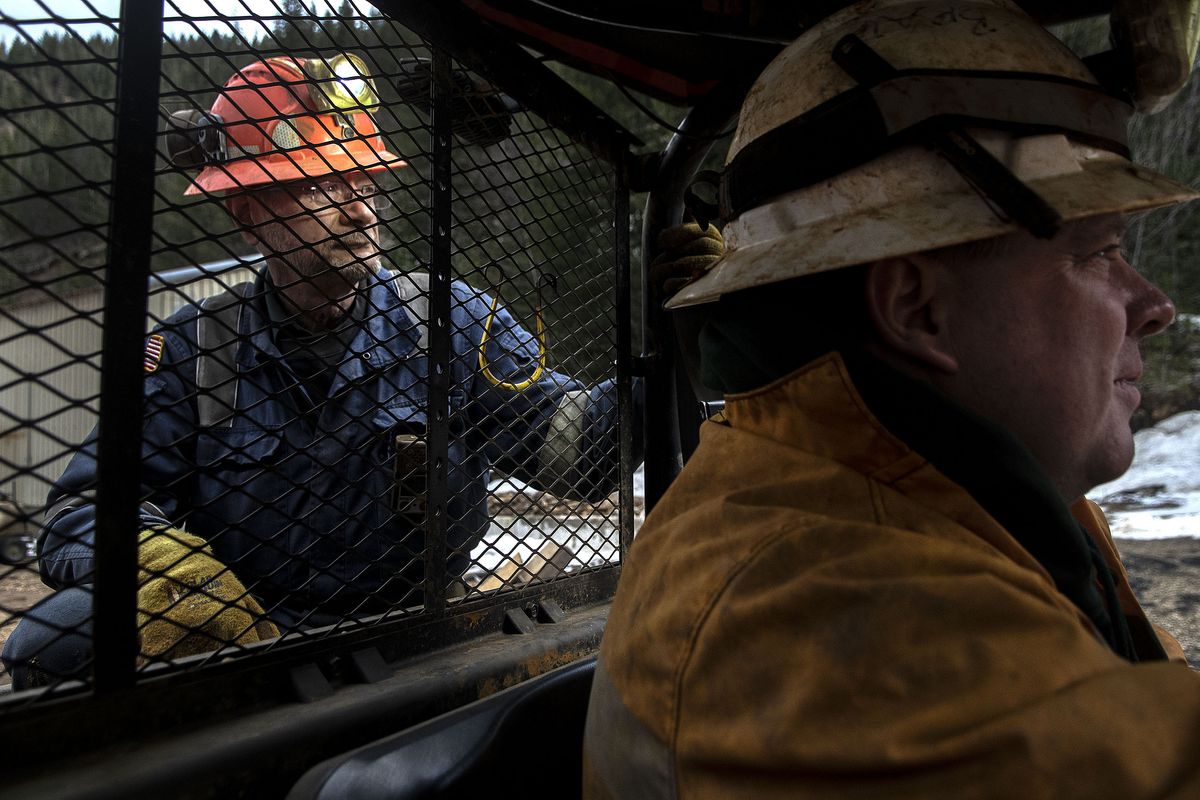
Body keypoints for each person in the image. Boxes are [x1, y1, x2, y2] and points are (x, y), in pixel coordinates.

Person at [584, 1, 1200, 797]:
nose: (1155, 305)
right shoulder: (837, 612)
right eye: (1100, 253)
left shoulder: (943, 480)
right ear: (916, 308)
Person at [2, 54, 631, 688]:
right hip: (251, 642)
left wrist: (680, 332)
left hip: (420, 635)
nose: (360, 212)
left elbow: (581, 452)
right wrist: (167, 570)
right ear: (246, 212)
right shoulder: (196, 347)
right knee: (49, 640)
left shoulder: (450, 320)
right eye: (323, 186)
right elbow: (78, 512)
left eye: (367, 184)